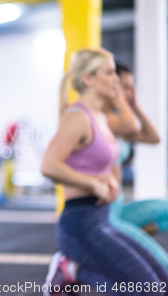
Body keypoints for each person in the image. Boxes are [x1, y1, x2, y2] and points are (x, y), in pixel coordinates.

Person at [40, 49, 168, 296]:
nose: (116, 81)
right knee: (147, 290)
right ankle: (72, 269)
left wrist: (107, 178)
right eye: (109, 73)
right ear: (88, 79)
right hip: (80, 223)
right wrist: (93, 183)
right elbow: (48, 165)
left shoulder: (99, 117)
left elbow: (99, 158)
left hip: (104, 218)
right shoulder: (77, 117)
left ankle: (73, 270)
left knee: (159, 284)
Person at [104, 62, 168, 269]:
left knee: (165, 210)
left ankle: (123, 242)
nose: (128, 92)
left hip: (118, 206)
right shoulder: (102, 120)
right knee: (162, 267)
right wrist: (122, 101)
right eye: (124, 86)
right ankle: (121, 242)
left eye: (131, 87)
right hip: (104, 213)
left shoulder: (119, 122)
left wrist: (135, 104)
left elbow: (153, 138)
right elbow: (130, 126)